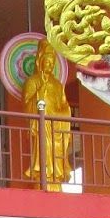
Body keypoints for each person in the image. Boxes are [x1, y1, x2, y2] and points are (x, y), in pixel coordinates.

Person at [22, 41, 72, 190]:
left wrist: (62, 113)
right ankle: (43, 177)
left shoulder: (58, 85)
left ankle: (56, 179)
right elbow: (26, 104)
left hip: (56, 124)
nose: (49, 65)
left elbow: (64, 106)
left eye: (52, 63)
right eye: (47, 62)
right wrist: (39, 92)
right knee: (44, 147)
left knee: (57, 151)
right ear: (40, 61)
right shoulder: (32, 81)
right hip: (40, 126)